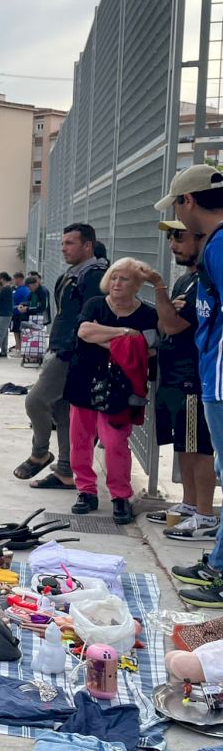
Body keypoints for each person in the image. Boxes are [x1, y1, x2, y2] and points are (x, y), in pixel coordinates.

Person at [157, 165, 223, 604]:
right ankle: (217, 564)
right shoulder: (212, 249)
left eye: (177, 206)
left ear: (189, 201)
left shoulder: (219, 245)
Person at [62, 258, 157, 523]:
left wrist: (104, 336)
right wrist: (125, 334)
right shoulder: (95, 304)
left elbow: (148, 348)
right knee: (80, 439)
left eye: (124, 279)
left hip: (121, 388)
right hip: (84, 380)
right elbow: (84, 331)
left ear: (136, 284)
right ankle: (86, 491)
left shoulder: (147, 314)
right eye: (114, 277)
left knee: (115, 442)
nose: (116, 283)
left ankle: (120, 496)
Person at [14, 223, 108, 489]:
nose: (64, 248)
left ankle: (40, 453)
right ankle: (66, 471)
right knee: (63, 411)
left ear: (87, 246)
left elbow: (88, 318)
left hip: (72, 353)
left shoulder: (95, 277)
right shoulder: (73, 274)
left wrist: (67, 350)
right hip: (61, 348)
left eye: (70, 243)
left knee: (35, 401)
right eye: (63, 243)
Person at [144, 220, 216, 540]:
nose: (172, 244)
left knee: (200, 447)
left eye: (179, 237)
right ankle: (189, 504)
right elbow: (164, 323)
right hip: (173, 374)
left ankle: (205, 514)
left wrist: (159, 288)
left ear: (200, 238)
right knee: (184, 444)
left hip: (193, 377)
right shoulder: (186, 279)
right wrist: (167, 307)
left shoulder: (206, 280)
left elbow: (172, 325)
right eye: (171, 237)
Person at [10, 272, 29, 353]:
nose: (14, 281)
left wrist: (21, 306)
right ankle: (17, 345)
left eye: (15, 279)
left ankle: (20, 347)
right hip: (15, 313)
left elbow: (26, 300)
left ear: (19, 279)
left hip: (21, 313)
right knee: (15, 330)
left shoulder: (24, 289)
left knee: (20, 330)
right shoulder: (16, 289)